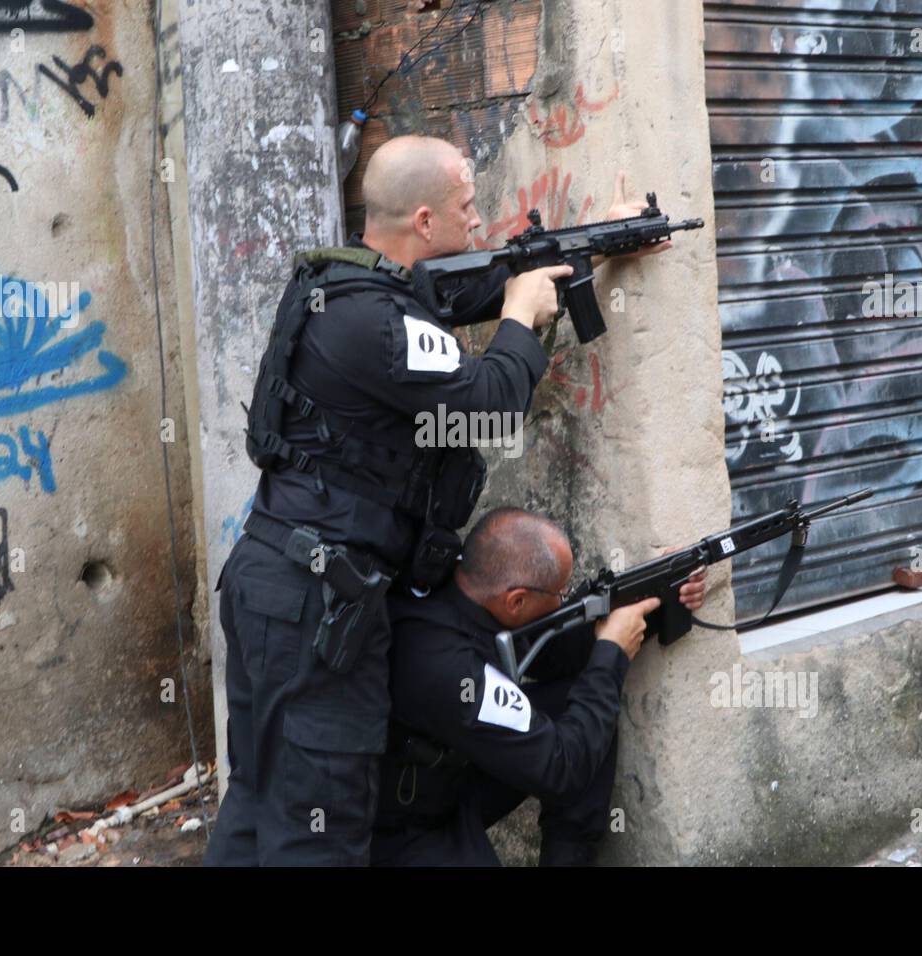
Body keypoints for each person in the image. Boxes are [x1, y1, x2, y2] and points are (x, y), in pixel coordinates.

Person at [205, 134, 672, 866]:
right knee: (320, 816)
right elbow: (486, 404)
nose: (479, 218)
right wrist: (518, 320)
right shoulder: (377, 322)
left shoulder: (350, 289)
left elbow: (469, 287)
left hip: (279, 584)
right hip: (318, 605)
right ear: (425, 222)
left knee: (261, 793)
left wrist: (590, 247)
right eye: (466, 205)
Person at [371, 507, 707, 866]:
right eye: (561, 594)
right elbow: (562, 769)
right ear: (516, 600)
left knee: (578, 706)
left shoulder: (461, 588)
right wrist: (612, 654)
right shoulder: (451, 669)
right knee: (588, 713)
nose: (565, 600)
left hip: (456, 766)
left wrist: (652, 597)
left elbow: (547, 649)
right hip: (407, 825)